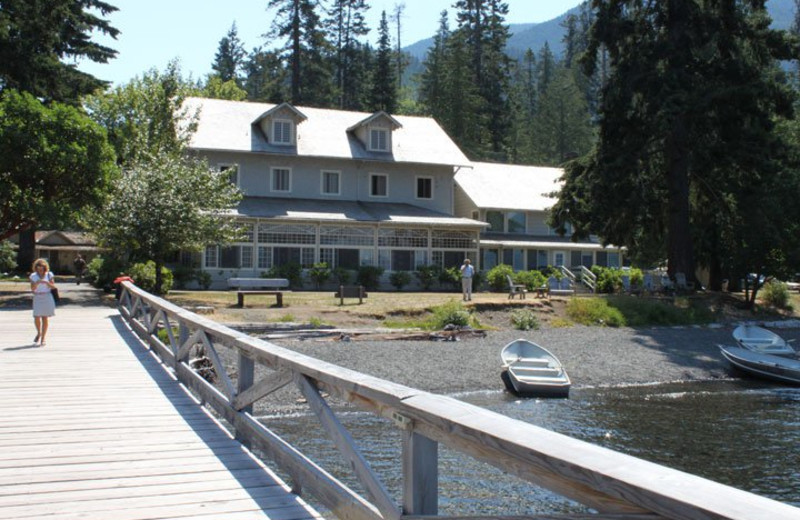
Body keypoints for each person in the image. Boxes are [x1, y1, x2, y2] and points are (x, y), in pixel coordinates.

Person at [30, 258, 56, 346]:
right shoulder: (33, 276)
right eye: (38, 267)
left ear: (45, 267)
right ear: (36, 267)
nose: (40, 269)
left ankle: (43, 337)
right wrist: (37, 283)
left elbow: (53, 287)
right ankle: (39, 333)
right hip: (37, 296)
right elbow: (32, 289)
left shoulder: (49, 274)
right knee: (36, 316)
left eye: (42, 267)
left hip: (47, 296)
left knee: (45, 317)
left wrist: (46, 282)